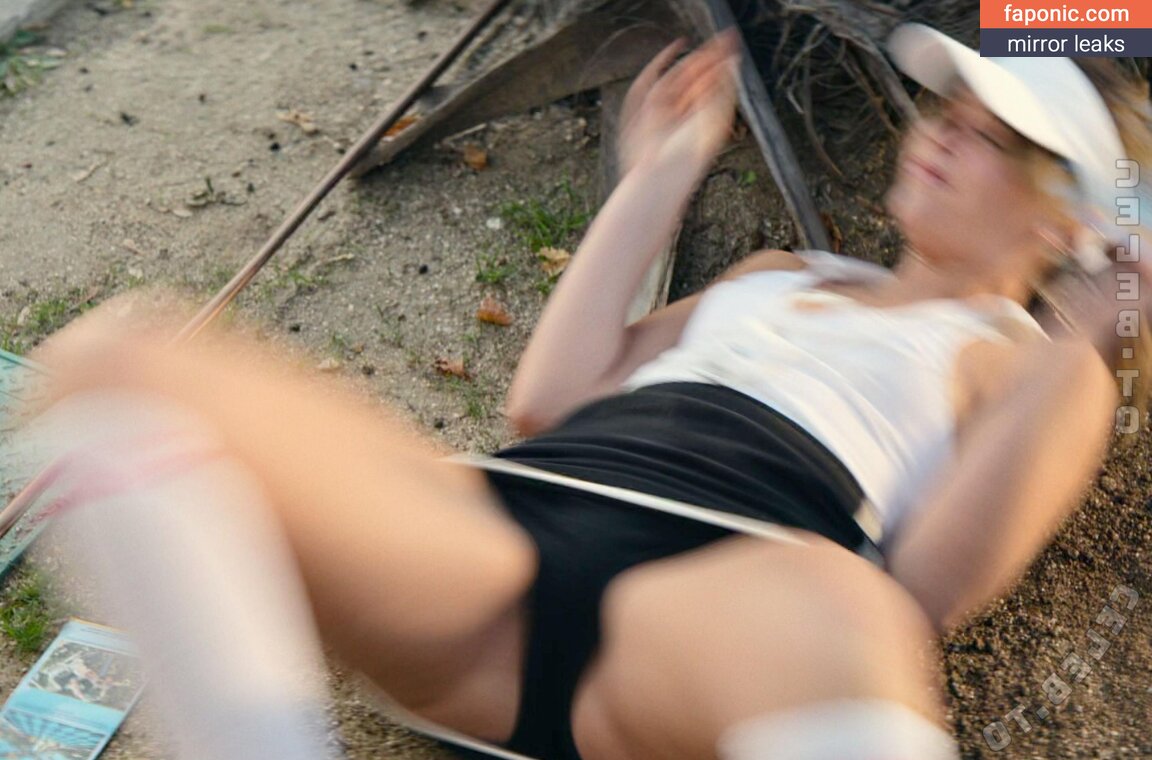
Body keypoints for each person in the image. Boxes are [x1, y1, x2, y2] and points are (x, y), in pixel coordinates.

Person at [16, 22, 1152, 760]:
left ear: (1068, 219)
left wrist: (1098, 326)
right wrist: (661, 172)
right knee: (125, 362)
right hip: (504, 540)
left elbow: (922, 593)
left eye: (999, 139)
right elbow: (552, 399)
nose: (944, 134)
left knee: (845, 608)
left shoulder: (1030, 363)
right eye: (948, 111)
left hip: (720, 604)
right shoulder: (782, 272)